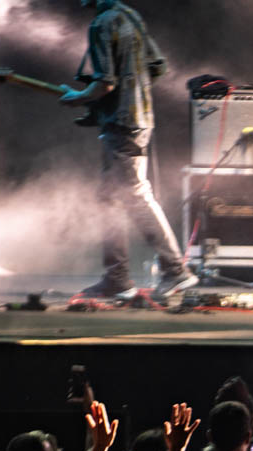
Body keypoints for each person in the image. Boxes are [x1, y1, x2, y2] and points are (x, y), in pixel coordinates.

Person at [59, 0, 198, 299]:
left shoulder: (102, 23)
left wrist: (78, 98)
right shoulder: (129, 16)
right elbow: (157, 66)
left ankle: (175, 271)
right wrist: (131, 95)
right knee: (109, 200)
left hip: (122, 125)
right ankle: (117, 278)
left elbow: (105, 83)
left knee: (135, 197)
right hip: (136, 120)